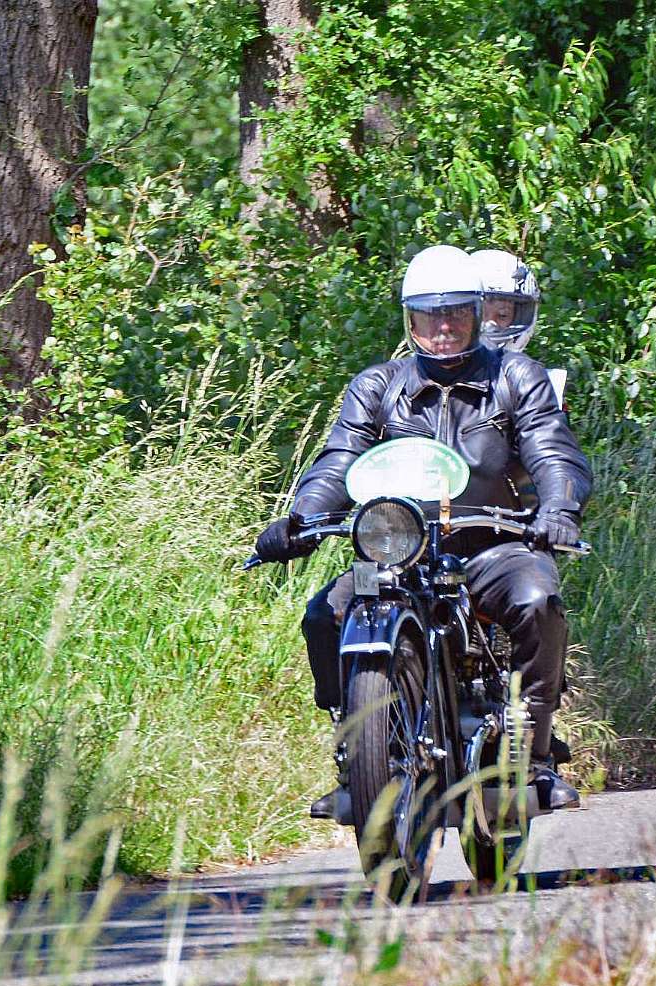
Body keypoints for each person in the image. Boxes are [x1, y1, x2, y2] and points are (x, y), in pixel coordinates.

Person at [253, 244, 591, 819]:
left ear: (477, 314)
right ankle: (357, 756)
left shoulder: (517, 378)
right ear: (410, 321)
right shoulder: (377, 386)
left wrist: (559, 506)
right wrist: (300, 518)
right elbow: (338, 461)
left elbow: (553, 451)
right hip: (395, 553)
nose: (443, 328)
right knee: (324, 615)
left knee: (538, 602)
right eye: (430, 317)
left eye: (455, 314)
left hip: (494, 545)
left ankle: (534, 753)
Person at [470, 248, 541, 354]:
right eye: (479, 313)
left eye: (502, 315)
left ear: (519, 317)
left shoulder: (525, 366)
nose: (489, 324)